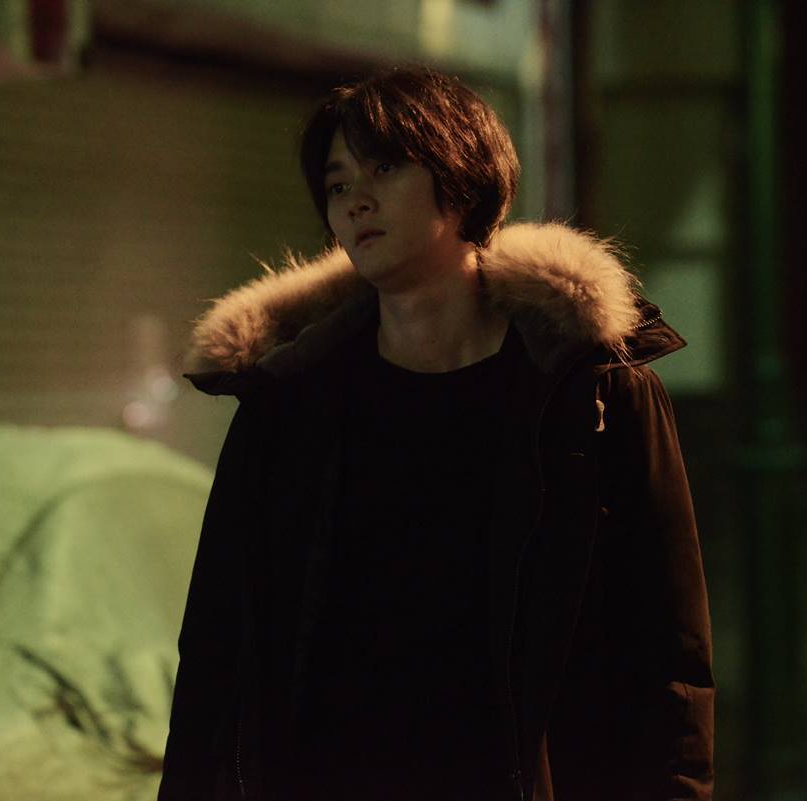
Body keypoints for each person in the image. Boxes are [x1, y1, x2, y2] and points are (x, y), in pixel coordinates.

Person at [158, 65, 714, 801]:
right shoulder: (287, 404)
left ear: (462, 177)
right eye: (336, 184)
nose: (354, 201)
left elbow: (667, 654)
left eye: (384, 169)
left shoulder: (592, 395)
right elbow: (215, 653)